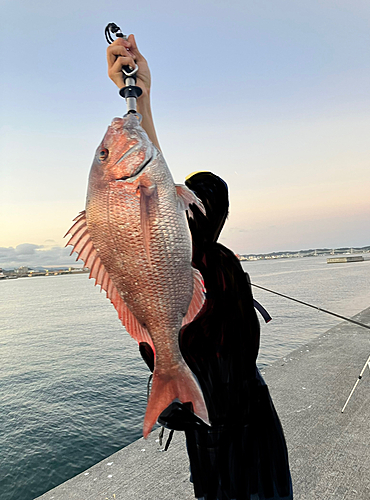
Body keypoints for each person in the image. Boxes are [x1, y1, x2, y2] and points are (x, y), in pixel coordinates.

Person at [107, 35, 293, 500]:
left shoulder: (209, 261)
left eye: (192, 199)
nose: (183, 203)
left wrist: (141, 100)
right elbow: (151, 203)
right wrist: (138, 97)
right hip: (226, 418)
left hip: (225, 420)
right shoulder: (190, 257)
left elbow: (156, 206)